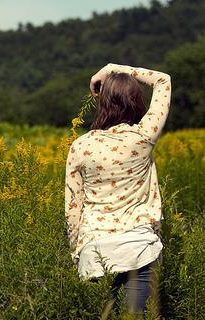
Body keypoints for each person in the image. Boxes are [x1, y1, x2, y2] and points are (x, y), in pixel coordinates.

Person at [64, 63, 171, 315]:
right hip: (139, 249)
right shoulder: (143, 137)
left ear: (103, 103)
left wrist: (76, 254)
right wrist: (113, 68)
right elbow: (163, 80)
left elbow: (72, 209)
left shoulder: (80, 146)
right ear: (135, 102)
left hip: (95, 251)